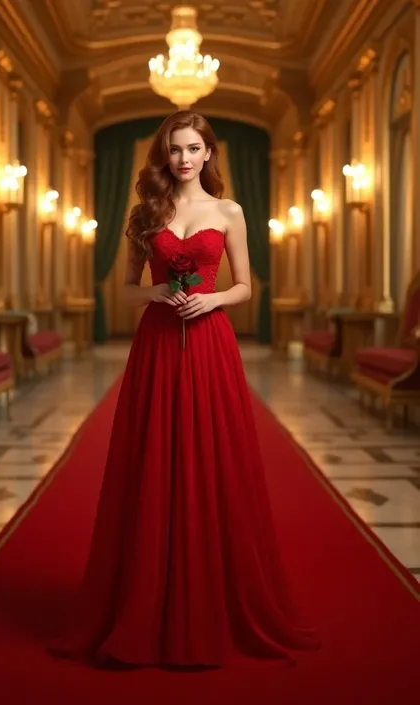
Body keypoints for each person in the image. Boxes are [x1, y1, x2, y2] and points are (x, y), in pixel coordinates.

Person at [49, 110, 319, 668]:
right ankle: (144, 594)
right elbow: (125, 293)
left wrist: (213, 300)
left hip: (210, 344)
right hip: (156, 346)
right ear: (163, 155)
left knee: (211, 461)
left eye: (194, 148)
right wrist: (157, 295)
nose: (185, 158)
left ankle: (210, 592)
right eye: (175, 149)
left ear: (210, 153)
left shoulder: (230, 211)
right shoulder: (145, 213)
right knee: (153, 460)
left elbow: (245, 286)